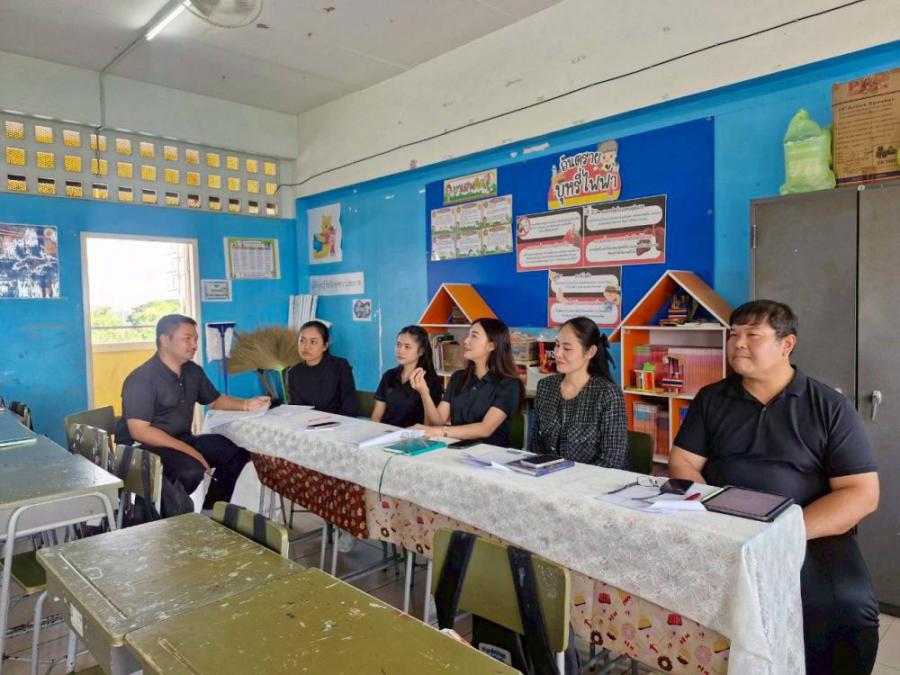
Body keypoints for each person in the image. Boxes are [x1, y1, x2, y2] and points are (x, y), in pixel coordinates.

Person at [669, 300, 880, 675]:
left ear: (787, 344)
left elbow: (861, 492)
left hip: (808, 533)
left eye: (753, 335)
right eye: (734, 334)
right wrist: (711, 512)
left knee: (847, 606)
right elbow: (683, 462)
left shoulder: (829, 406)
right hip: (726, 525)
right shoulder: (712, 398)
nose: (738, 343)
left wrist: (786, 533)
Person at [115, 314, 270, 511]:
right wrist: (190, 451)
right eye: (187, 338)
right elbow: (140, 431)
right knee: (190, 470)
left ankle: (212, 512)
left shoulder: (192, 371)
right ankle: (161, 516)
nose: (194, 344)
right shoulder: (142, 379)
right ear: (165, 340)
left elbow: (215, 400)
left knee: (235, 454)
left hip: (181, 440)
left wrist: (247, 404)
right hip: (142, 449)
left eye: (195, 339)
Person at [529, 317, 628, 468]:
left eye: (567, 348)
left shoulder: (607, 394)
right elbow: (536, 446)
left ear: (590, 352)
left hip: (596, 480)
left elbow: (612, 460)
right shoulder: (545, 386)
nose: (558, 353)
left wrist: (570, 479)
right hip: (550, 476)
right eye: (557, 345)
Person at [412, 317, 523, 446]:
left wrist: (440, 431)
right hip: (457, 448)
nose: (466, 341)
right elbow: (437, 422)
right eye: (468, 335)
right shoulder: (458, 377)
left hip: (490, 453)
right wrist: (424, 393)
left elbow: (485, 429)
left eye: (474, 336)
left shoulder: (509, 384)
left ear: (491, 346)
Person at [372, 325, 443, 428]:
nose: (400, 350)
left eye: (407, 347)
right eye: (398, 345)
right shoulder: (389, 375)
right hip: (386, 433)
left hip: (412, 434)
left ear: (421, 351)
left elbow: (430, 424)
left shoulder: (431, 381)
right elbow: (377, 415)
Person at [284, 320, 357, 415]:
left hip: (337, 421)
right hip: (304, 422)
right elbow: (295, 409)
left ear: (325, 346)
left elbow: (349, 406)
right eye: (302, 340)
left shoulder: (340, 366)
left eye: (313, 342)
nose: (306, 347)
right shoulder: (293, 372)